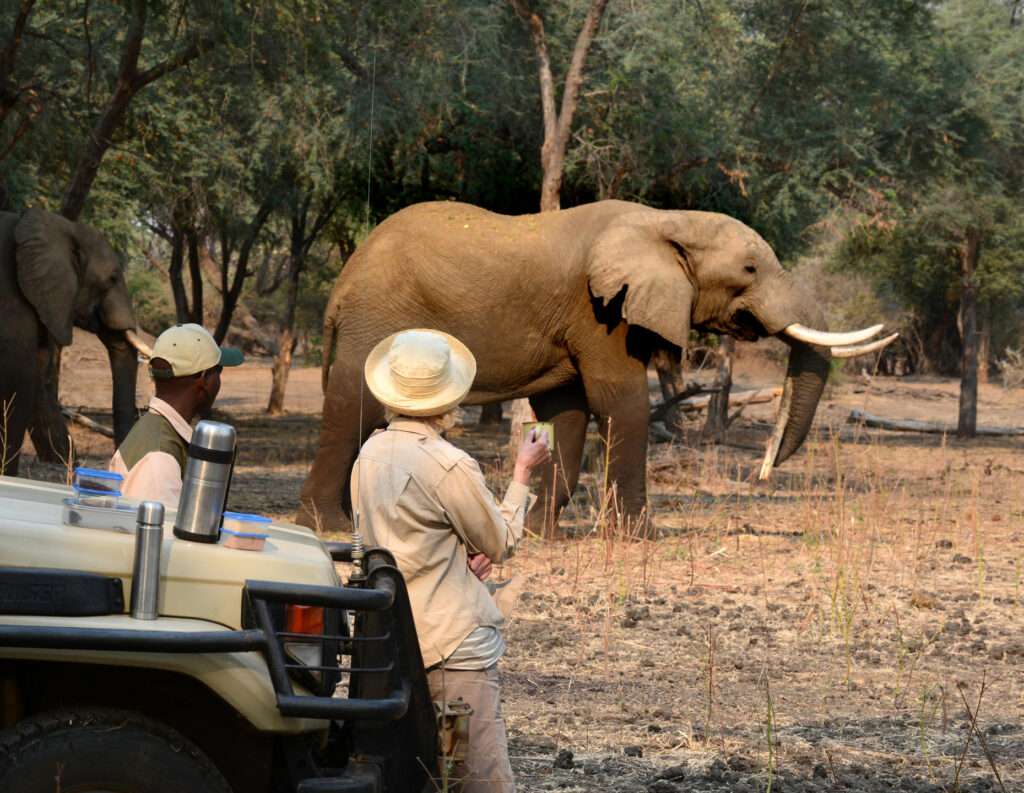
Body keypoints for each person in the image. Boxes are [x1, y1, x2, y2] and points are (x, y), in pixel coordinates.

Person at [352, 329, 550, 793]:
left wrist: (454, 554)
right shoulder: (447, 463)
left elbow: (390, 541)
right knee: (472, 777)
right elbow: (499, 543)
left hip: (393, 645)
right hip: (452, 652)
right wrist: (522, 473)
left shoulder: (369, 453)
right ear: (449, 396)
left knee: (416, 775)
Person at [110, 323, 243, 505]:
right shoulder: (159, 460)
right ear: (203, 380)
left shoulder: (156, 430)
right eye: (218, 371)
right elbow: (159, 531)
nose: (219, 381)